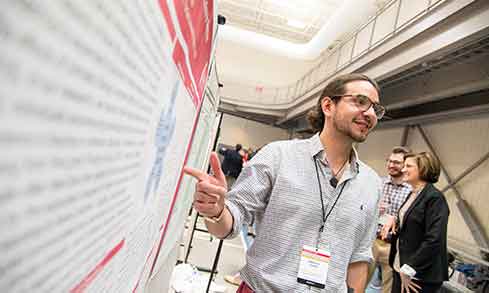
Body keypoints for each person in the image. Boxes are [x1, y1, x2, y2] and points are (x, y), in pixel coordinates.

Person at [184, 73, 386, 292]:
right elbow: (229, 223)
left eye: (376, 108)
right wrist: (215, 210)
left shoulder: (371, 183)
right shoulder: (277, 156)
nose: (370, 114)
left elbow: (359, 256)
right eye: (360, 101)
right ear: (328, 105)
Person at [384, 152, 449, 293]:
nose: (403, 169)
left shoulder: (435, 198)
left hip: (418, 275)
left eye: (408, 166)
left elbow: (434, 238)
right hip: (401, 266)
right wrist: (396, 220)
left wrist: (410, 268)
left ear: (423, 169)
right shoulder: (414, 193)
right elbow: (414, 219)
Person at [368, 147, 412, 293]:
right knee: (359, 279)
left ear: (405, 165)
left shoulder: (411, 190)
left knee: (389, 287)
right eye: (390, 161)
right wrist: (374, 207)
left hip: (393, 245)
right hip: (372, 241)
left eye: (397, 162)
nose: (391, 165)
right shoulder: (377, 183)